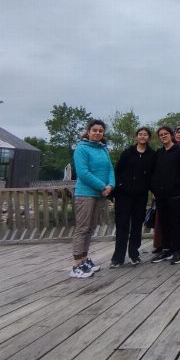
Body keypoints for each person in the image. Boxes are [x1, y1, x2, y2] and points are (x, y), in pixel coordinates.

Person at [71, 119, 115, 278]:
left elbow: (110, 168)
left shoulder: (103, 149)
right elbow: (83, 172)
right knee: (82, 228)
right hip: (85, 193)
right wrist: (102, 186)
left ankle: (84, 259)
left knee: (90, 228)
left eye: (100, 131)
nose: (97, 133)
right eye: (94, 130)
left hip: (100, 194)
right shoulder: (81, 149)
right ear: (88, 131)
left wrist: (111, 185)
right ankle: (76, 264)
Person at [111, 126, 155, 267]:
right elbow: (117, 171)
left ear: (149, 137)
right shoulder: (128, 153)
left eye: (145, 135)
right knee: (122, 225)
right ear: (136, 137)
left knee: (137, 226)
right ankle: (118, 258)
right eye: (140, 134)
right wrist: (120, 186)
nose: (142, 137)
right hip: (124, 195)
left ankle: (134, 254)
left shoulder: (151, 155)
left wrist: (152, 190)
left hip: (140, 195)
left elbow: (152, 175)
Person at [150, 126, 180, 265]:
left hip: (175, 193)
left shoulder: (179, 150)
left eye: (166, 134)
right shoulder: (159, 153)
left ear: (171, 135)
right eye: (161, 135)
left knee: (175, 222)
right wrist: (154, 189)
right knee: (164, 222)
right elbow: (153, 172)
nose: (163, 136)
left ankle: (177, 251)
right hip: (161, 194)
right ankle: (166, 249)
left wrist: (174, 184)